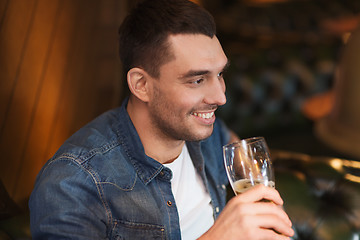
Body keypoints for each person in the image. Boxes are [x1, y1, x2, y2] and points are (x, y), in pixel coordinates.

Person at [29, 0, 294, 239]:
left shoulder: (208, 133)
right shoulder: (73, 183)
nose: (220, 97)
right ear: (141, 84)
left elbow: (243, 158)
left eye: (220, 74)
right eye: (197, 80)